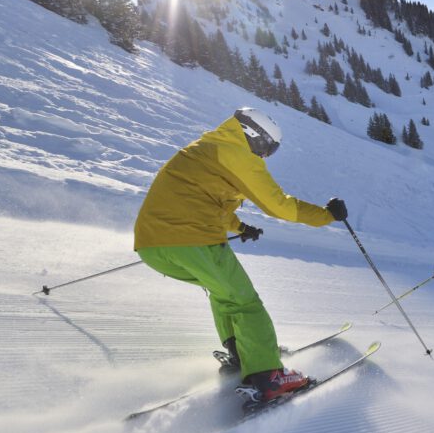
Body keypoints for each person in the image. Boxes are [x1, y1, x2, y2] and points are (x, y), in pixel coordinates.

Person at [133, 107, 347, 404]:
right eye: (269, 148)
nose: (266, 156)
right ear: (255, 136)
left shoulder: (209, 147)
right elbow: (279, 205)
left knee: (225, 294)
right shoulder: (239, 155)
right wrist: (327, 216)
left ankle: (242, 353)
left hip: (152, 246)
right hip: (193, 239)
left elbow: (203, 200)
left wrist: (240, 226)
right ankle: (269, 377)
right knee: (246, 302)